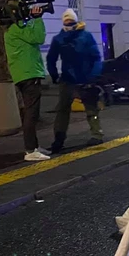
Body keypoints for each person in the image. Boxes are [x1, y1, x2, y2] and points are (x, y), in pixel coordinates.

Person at [46, 9, 104, 153]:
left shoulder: (84, 37)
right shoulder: (60, 39)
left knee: (90, 108)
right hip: (69, 79)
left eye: (70, 21)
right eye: (66, 22)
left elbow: (96, 58)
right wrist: (54, 75)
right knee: (63, 111)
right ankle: (59, 139)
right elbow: (51, 59)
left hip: (84, 78)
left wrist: (93, 76)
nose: (69, 24)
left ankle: (96, 134)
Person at [4, 6, 50, 161]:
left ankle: (34, 147)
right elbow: (38, 37)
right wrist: (37, 18)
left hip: (25, 74)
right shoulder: (17, 29)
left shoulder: (13, 30)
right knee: (31, 113)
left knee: (32, 112)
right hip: (29, 74)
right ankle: (30, 150)